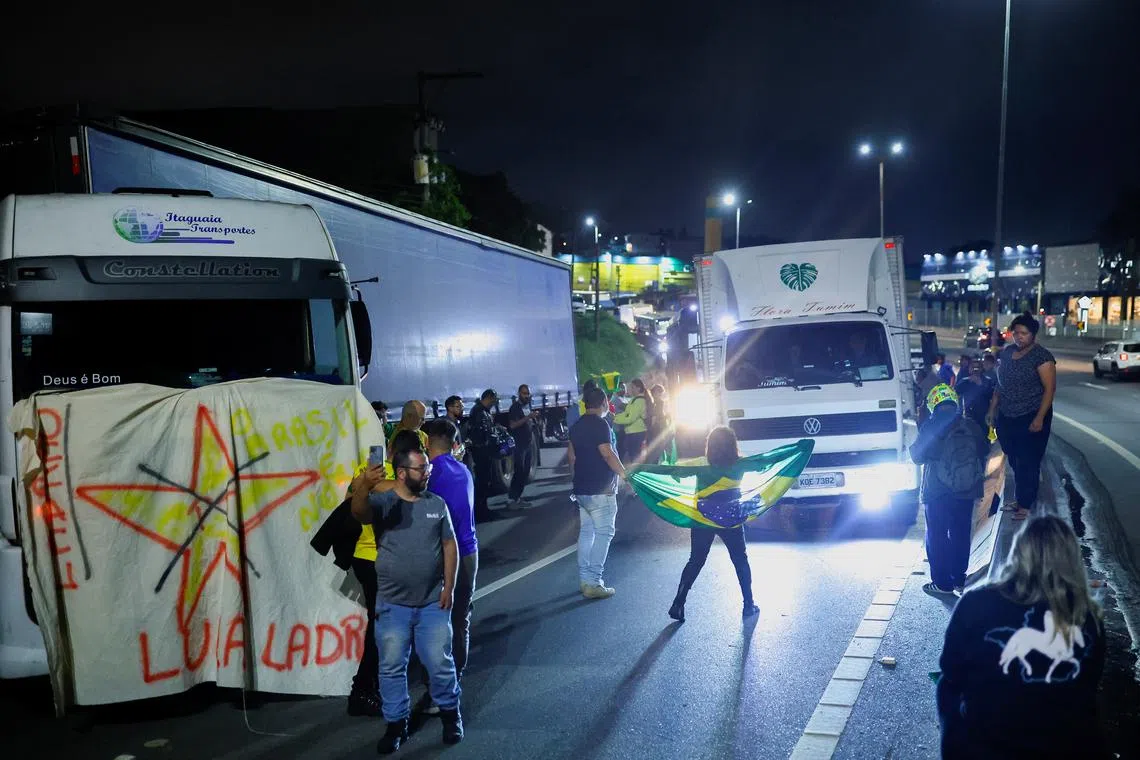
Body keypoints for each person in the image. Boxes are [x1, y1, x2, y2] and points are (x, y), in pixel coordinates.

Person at [937, 516, 1108, 759]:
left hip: (985, 744)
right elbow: (1089, 682)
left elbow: (950, 668)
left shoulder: (976, 601)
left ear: (1018, 553)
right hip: (1062, 745)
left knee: (947, 685)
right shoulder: (1087, 616)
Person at [350, 447, 464, 753]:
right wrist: (363, 484)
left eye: (427, 468)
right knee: (390, 668)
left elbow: (449, 545)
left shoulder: (436, 505)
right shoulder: (386, 503)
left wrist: (449, 587)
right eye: (421, 469)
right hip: (392, 606)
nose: (428, 473)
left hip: (432, 604)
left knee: (440, 663)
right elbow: (359, 512)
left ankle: (451, 716)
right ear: (402, 474)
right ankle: (396, 725)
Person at [338, 430, 427, 717]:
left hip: (372, 558)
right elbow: (358, 491)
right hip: (373, 559)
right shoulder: (379, 474)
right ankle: (362, 690)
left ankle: (369, 687)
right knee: (382, 628)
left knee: (384, 625)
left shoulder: (373, 473)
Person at [667, 426, 760, 621]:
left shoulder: (700, 464)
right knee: (740, 559)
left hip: (703, 518)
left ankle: (678, 603)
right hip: (731, 519)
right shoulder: (741, 464)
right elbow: (766, 463)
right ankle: (748, 605)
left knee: (696, 560)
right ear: (733, 445)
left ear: (710, 445)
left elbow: (674, 471)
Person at [910, 384, 989, 597]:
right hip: (966, 489)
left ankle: (942, 583)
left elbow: (917, 457)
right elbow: (985, 450)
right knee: (961, 533)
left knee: (937, 535)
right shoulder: (971, 426)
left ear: (933, 404)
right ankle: (960, 579)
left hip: (937, 491)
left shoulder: (931, 426)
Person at [421, 419, 478, 711]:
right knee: (460, 620)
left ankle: (439, 692)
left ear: (427, 442)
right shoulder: (463, 470)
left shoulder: (431, 476)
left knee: (437, 624)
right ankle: (455, 680)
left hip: (446, 555)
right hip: (470, 552)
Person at [987, 313, 1057, 521]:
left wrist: (1039, 418)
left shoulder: (1042, 357)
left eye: (1023, 333)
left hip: (1031, 416)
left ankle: (1026, 505)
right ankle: (1021, 498)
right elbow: (1000, 384)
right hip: (1008, 416)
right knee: (1015, 461)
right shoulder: (1008, 353)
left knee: (1029, 462)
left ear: (1033, 334)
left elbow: (1049, 389)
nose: (1019, 337)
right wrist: (992, 409)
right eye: (1015, 332)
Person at [568, 386, 628, 599]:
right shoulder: (601, 424)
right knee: (604, 533)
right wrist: (624, 474)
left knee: (587, 533)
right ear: (603, 403)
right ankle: (594, 582)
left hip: (581, 489)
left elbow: (571, 458)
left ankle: (585, 580)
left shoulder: (576, 426)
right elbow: (607, 453)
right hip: (601, 490)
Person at [506, 384, 542, 507]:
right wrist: (528, 417)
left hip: (527, 443)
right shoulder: (515, 407)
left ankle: (518, 497)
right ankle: (512, 498)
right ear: (519, 394)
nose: (526, 396)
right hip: (518, 444)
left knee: (526, 471)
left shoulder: (526, 406)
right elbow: (512, 425)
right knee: (519, 471)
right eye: (524, 393)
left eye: (528, 393)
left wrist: (534, 420)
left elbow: (528, 422)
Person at [467, 389, 499, 523]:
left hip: (483, 452)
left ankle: (483, 509)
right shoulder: (479, 412)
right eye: (493, 400)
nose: (494, 403)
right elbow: (482, 434)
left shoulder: (481, 411)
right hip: (482, 452)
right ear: (488, 398)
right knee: (482, 482)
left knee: (484, 482)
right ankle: (481, 512)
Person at [613, 378, 652, 464]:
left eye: (632, 387)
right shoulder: (636, 400)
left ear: (638, 388)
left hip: (636, 433)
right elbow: (627, 414)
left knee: (635, 460)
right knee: (634, 458)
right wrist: (616, 417)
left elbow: (630, 418)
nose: (630, 389)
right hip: (634, 433)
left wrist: (615, 418)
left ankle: (636, 475)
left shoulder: (639, 401)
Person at [954, 357, 995, 431]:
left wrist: (980, 385)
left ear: (981, 369)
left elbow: (991, 395)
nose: (975, 370)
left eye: (977, 367)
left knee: (984, 436)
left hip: (983, 413)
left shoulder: (988, 381)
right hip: (968, 414)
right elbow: (955, 392)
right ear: (969, 369)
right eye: (973, 367)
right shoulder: (965, 381)